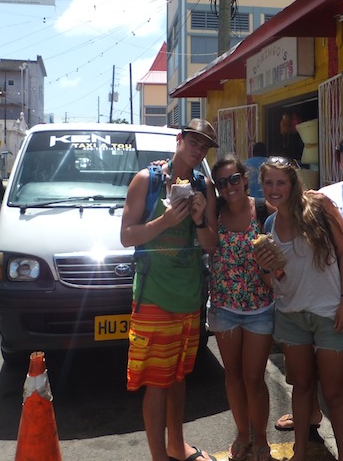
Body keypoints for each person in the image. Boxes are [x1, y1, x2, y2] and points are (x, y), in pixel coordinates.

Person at [120, 118, 220, 461]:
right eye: (194, 142)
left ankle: (176, 446)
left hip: (189, 297)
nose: (198, 150)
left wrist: (199, 219)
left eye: (204, 146)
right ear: (179, 139)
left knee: (178, 378)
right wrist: (166, 221)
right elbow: (127, 236)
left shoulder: (204, 186)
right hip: (154, 297)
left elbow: (211, 246)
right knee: (157, 383)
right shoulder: (147, 180)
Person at [274, 135, 343, 460]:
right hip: (328, 294)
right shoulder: (324, 195)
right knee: (308, 378)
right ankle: (312, 418)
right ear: (338, 161)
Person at [254, 156, 343, 461]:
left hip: (330, 313)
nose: (274, 189)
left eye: (281, 182)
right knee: (301, 387)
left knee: (335, 393)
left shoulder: (320, 208)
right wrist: (266, 268)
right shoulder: (270, 224)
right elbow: (275, 279)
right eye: (268, 183)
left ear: (293, 183)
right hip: (291, 316)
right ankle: (299, 452)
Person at [208, 154, 275, 461]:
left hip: (260, 308)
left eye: (234, 179)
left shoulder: (261, 209)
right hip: (224, 308)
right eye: (222, 182)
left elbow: (290, 224)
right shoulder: (214, 213)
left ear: (244, 179)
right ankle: (242, 433)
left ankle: (260, 436)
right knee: (233, 375)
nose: (229, 186)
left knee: (254, 378)